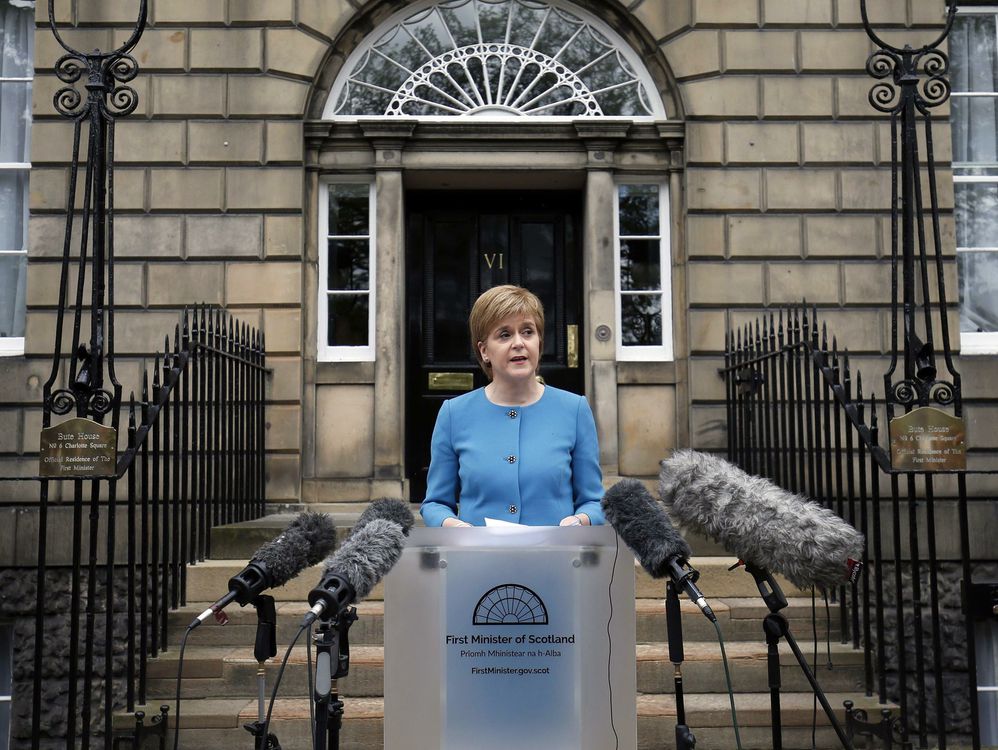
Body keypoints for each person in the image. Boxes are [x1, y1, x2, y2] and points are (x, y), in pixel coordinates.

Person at [420, 285, 605, 527]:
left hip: (555, 558)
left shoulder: (575, 410)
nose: (518, 343)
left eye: (527, 332)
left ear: (539, 341)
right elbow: (435, 504)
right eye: (504, 335)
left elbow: (594, 501)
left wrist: (581, 520)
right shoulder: (454, 414)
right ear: (484, 350)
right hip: (478, 559)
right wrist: (453, 526)